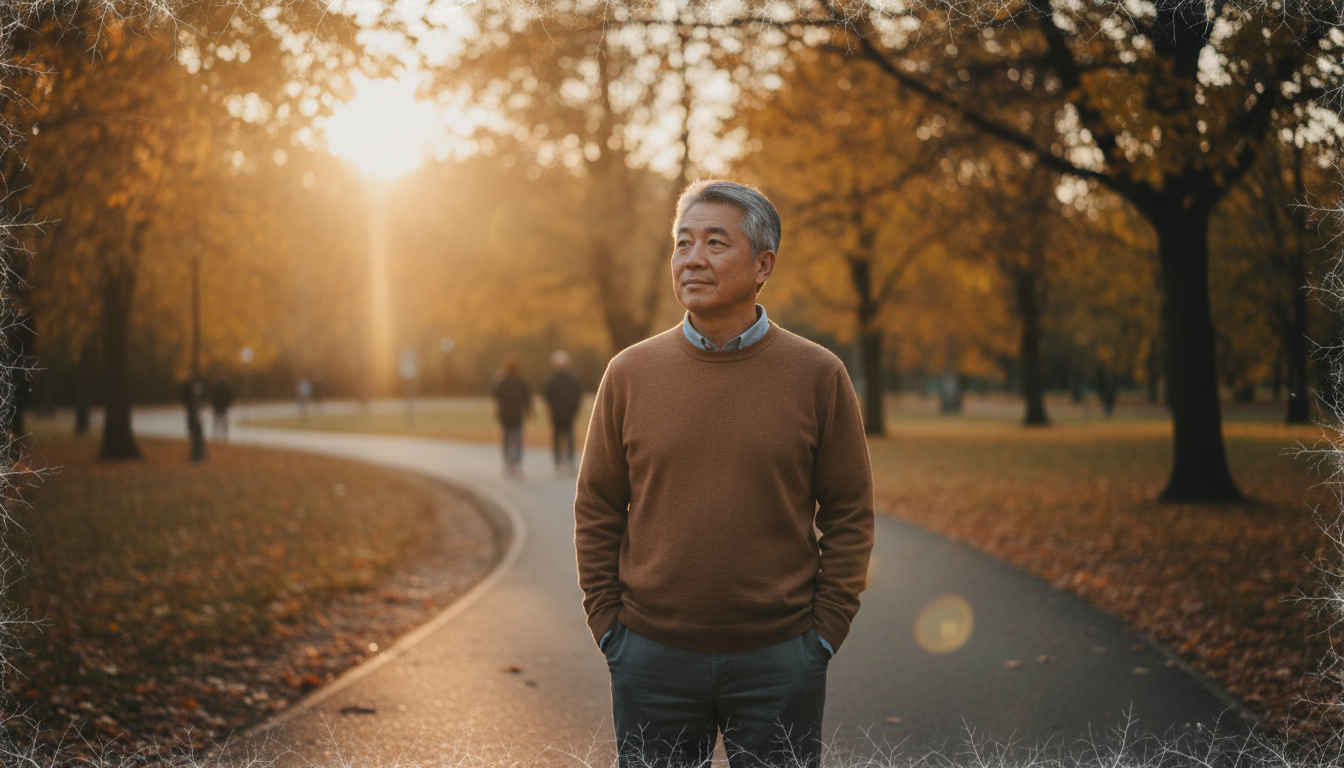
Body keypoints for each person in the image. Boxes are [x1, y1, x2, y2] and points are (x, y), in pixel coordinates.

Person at [574, 180, 875, 768]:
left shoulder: (819, 375)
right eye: (682, 243)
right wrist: (608, 624)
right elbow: (598, 507)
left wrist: (824, 633)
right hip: (650, 657)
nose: (692, 259)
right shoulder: (629, 373)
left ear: (763, 265)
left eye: (715, 243)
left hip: (780, 659)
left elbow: (850, 513)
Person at [542, 349, 583, 474]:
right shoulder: (551, 379)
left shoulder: (572, 379)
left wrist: (574, 409)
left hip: (569, 413)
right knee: (557, 437)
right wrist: (551, 409)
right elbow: (547, 396)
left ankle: (570, 461)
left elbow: (577, 395)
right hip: (556, 413)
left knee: (570, 437)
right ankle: (558, 462)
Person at [491, 353, 532, 477]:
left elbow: (526, 398)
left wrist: (527, 411)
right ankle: (508, 463)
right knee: (507, 440)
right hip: (505, 415)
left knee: (518, 440)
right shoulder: (502, 382)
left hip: (517, 415)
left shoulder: (521, 382)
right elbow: (495, 396)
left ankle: (517, 464)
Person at [210, 376, 235, 442]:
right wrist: (228, 403)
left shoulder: (216, 386)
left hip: (218, 406)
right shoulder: (225, 386)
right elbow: (230, 395)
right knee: (222, 422)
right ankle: (223, 436)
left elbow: (212, 396)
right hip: (222, 406)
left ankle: (217, 436)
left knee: (218, 422)